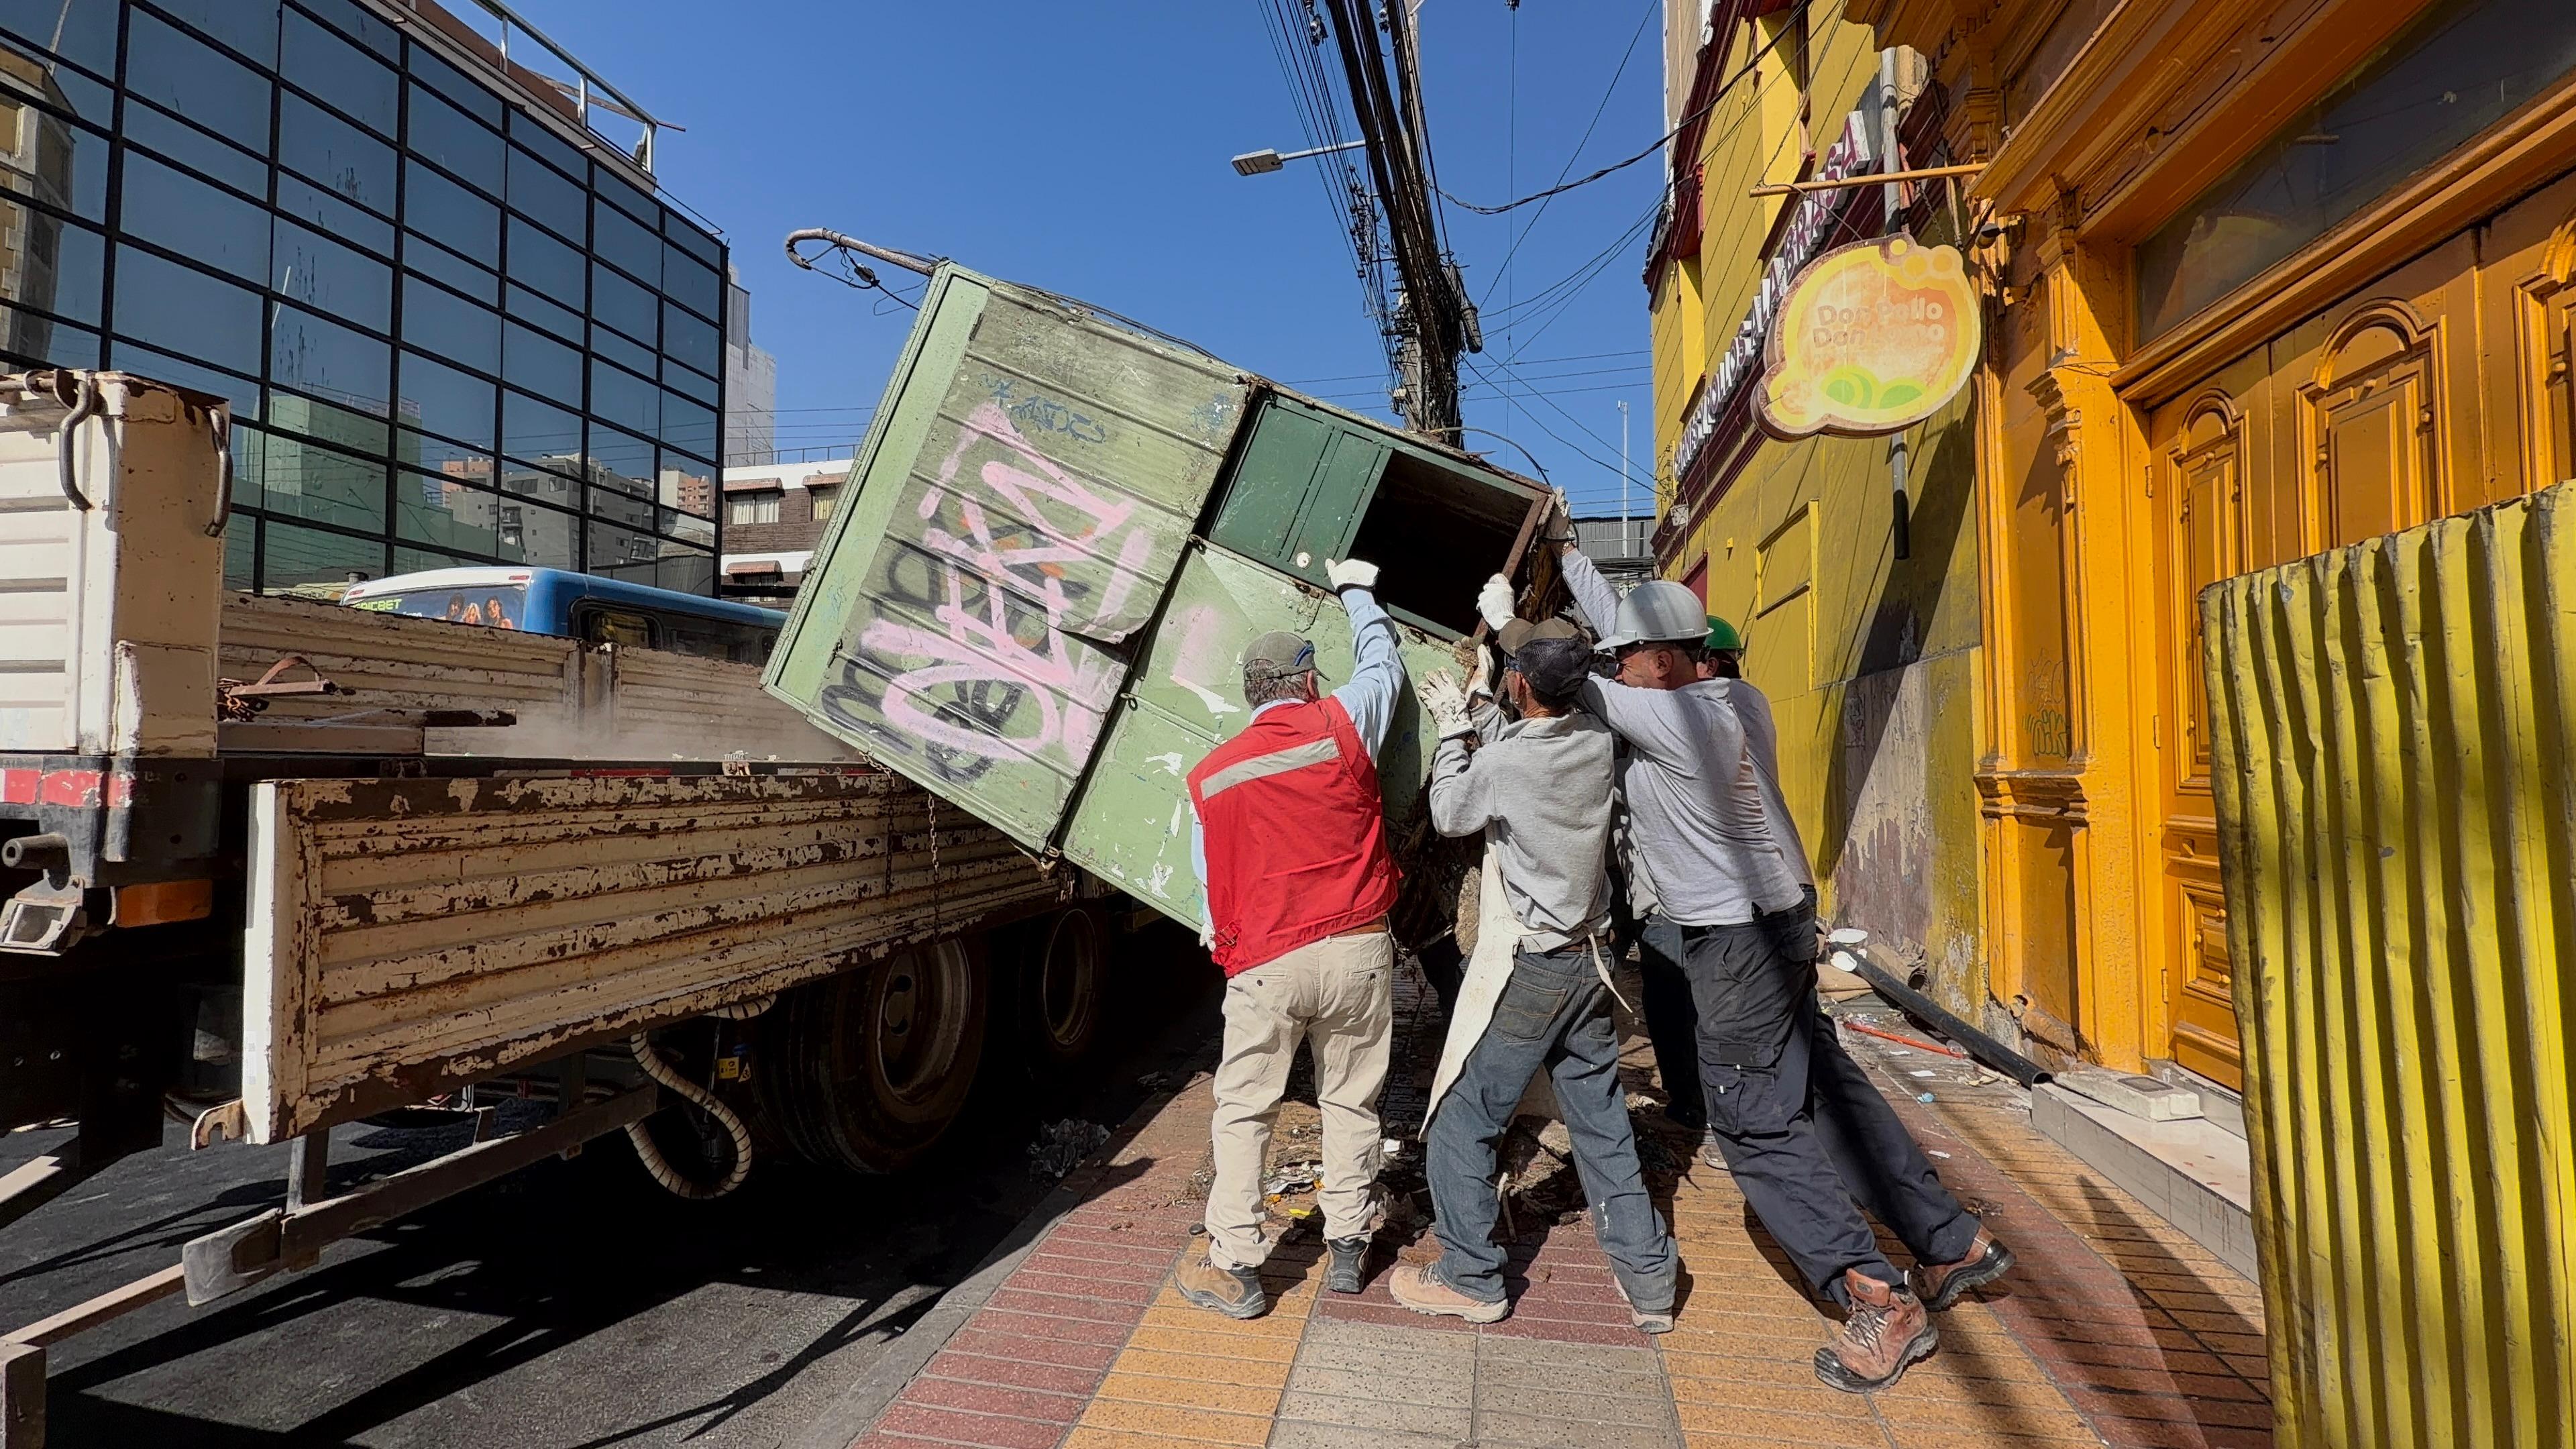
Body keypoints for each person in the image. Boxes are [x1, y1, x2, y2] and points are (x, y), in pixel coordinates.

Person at [1544, 535, 2013, 1393]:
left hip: (1736, 945)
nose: (1622, 665)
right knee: (1829, 1092)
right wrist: (1574, 557)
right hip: (1789, 923)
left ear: (1662, 660)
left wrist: (1528, 635)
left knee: (1755, 1123)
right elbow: (1631, 636)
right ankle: (1953, 1243)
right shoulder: (1734, 695)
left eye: (1631, 658)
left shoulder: (1667, 717)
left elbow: (1573, 676)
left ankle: (1874, 1294)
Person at [1389, 625, 1681, 1332]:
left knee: (1461, 1119)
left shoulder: (1505, 767)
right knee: (1600, 1119)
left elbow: (1451, 810)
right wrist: (1482, 708)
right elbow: (1522, 743)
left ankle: (1471, 1277)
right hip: (1593, 961)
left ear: (1523, 684)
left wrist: (1452, 733)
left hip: (1538, 967)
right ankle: (1650, 1283)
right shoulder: (1595, 740)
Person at [1175, 557, 1406, 1320]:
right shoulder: (1344, 723)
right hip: (1356, 949)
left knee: (1245, 1112)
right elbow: (1385, 665)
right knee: (1352, 1101)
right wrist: (1357, 591)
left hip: (1268, 963)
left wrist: (1234, 955)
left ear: (1251, 694)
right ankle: (1347, 1246)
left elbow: (1211, 895)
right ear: (1308, 683)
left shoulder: (1210, 776)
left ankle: (1237, 1267)